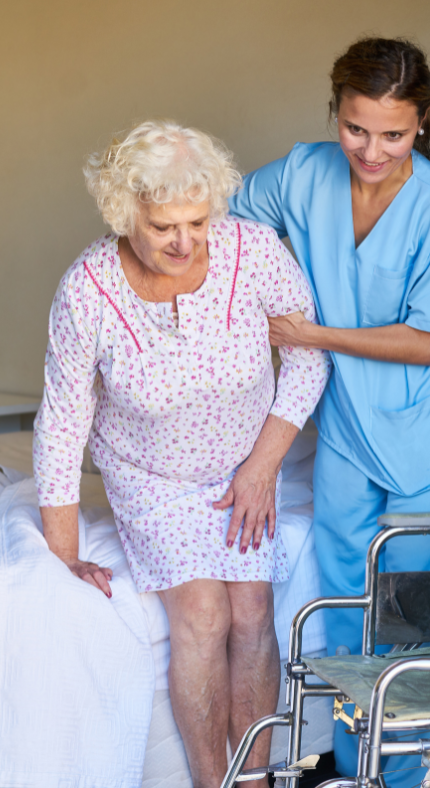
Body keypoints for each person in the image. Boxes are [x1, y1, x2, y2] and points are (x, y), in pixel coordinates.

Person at [33, 120, 331, 788]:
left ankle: (253, 779)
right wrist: (65, 552)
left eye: (197, 222)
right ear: (124, 211)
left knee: (252, 609)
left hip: (243, 465)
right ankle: (208, 782)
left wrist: (263, 467)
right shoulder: (87, 290)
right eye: (166, 225)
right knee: (203, 615)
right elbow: (62, 419)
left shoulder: (252, 252)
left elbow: (307, 357)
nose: (185, 240)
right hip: (150, 477)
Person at [228, 37, 430, 779]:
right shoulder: (304, 172)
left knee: (417, 634)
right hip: (347, 432)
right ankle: (352, 770)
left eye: (394, 135)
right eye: (356, 129)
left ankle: (410, 778)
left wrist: (308, 333)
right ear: (335, 114)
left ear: (421, 124)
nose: (371, 151)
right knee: (345, 616)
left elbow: (426, 344)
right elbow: (226, 229)